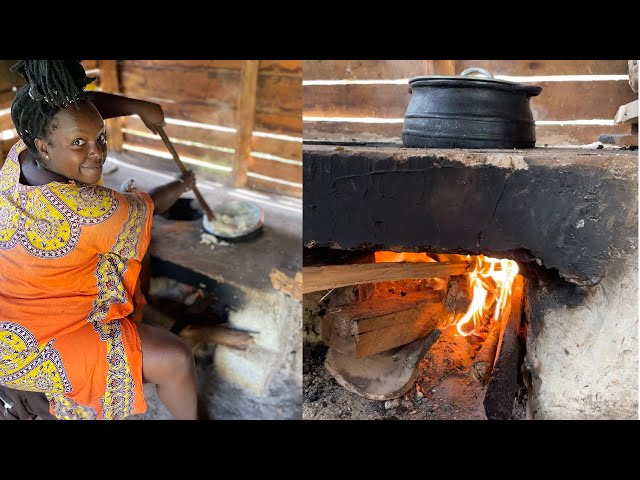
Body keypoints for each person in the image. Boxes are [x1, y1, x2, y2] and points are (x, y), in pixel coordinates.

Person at [0, 60, 198, 420]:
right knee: (176, 358)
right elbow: (149, 206)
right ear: (45, 147)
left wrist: (136, 108)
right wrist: (184, 184)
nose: (97, 151)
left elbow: (71, 111)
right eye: (79, 144)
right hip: (32, 344)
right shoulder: (96, 211)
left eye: (100, 138)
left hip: (12, 314)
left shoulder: (20, 156)